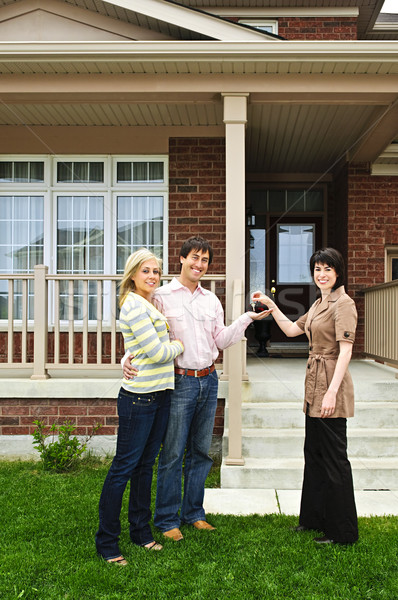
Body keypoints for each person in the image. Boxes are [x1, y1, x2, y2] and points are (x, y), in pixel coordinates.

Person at [123, 236, 270, 541]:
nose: (199, 264)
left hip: (209, 378)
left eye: (204, 260)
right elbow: (138, 332)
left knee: (201, 452)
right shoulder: (160, 296)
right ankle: (166, 519)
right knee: (173, 452)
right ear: (182, 259)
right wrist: (126, 357)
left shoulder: (211, 300)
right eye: (194, 257)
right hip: (179, 381)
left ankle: (194, 513)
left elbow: (220, 340)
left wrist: (247, 319)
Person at [252, 247, 358, 545]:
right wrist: (271, 305)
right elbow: (289, 330)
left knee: (334, 460)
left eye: (327, 269)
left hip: (330, 385)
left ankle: (343, 532)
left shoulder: (344, 304)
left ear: (337, 273)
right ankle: (312, 519)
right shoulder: (319, 302)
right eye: (317, 269)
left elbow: (346, 351)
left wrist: (331, 394)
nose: (321, 274)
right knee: (313, 456)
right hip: (313, 385)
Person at [95, 249, 184, 564]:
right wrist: (180, 344)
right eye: (146, 271)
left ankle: (141, 532)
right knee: (124, 468)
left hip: (159, 394)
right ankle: (107, 542)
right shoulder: (133, 306)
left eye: (156, 272)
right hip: (139, 399)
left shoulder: (150, 303)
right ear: (133, 274)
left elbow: (141, 349)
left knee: (145, 467)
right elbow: (159, 353)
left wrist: (134, 353)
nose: (152, 276)